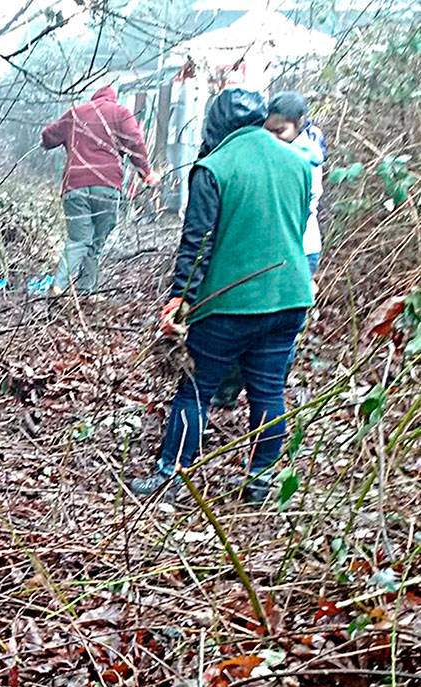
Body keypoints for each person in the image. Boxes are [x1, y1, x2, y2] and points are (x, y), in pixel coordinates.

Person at [130, 89, 313, 504]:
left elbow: (197, 243)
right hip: (289, 299)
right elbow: (298, 227)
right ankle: (260, 481)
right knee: (268, 391)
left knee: (196, 389)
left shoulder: (213, 167)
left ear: (214, 126)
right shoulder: (298, 163)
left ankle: (170, 476)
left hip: (230, 303)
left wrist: (181, 298)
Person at [212, 90, 326, 409]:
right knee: (249, 313)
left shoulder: (305, 157)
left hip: (298, 249)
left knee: (280, 319)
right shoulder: (285, 151)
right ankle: (232, 388)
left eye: (280, 131)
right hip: (275, 245)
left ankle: (268, 384)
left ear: (300, 125)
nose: (272, 137)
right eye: (268, 130)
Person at [41, 83, 160, 295]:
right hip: (107, 186)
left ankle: (60, 286)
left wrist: (51, 140)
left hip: (74, 187)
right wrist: (146, 173)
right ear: (112, 98)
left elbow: (49, 136)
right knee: (95, 243)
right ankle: (85, 291)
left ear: (95, 97)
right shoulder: (121, 113)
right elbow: (136, 142)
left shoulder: (75, 114)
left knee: (78, 239)